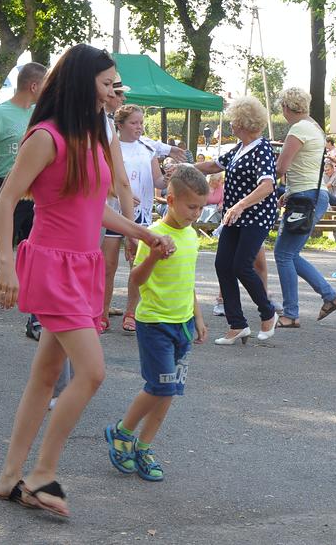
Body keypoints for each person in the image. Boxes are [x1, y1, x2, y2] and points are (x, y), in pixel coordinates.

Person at [0, 44, 174, 517]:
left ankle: (10, 477)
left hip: (84, 265)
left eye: (117, 85)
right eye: (109, 82)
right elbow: (7, 201)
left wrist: (139, 232)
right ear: (83, 83)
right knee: (92, 371)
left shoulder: (95, 135)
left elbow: (93, 204)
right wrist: (7, 265)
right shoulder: (46, 137)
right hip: (53, 267)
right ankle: (42, 474)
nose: (116, 91)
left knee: (46, 375)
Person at [104, 164, 209, 482]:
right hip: (155, 324)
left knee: (170, 391)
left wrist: (199, 318)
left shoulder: (191, 237)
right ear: (171, 199)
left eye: (202, 208)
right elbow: (135, 280)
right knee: (160, 386)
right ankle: (122, 431)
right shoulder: (154, 235)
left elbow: (187, 281)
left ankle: (144, 446)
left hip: (183, 325)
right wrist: (153, 256)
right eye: (192, 207)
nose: (196, 214)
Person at [0, 63, 47, 346]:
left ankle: (35, 318)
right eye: (46, 83)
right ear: (34, 86)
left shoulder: (44, 116)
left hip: (37, 192)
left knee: (37, 256)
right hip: (3, 187)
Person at [195, 96, 278, 344]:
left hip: (255, 215)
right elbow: (213, 165)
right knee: (223, 265)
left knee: (242, 265)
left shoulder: (262, 149)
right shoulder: (240, 148)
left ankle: (268, 312)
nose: (231, 124)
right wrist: (187, 167)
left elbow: (267, 186)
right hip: (234, 215)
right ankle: (237, 324)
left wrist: (240, 205)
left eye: (234, 120)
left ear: (244, 123)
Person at [273, 87, 336, 328]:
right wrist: (290, 193)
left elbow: (281, 168)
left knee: (283, 254)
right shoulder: (313, 126)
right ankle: (330, 296)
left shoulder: (298, 129)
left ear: (285, 107)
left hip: (305, 196)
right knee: (290, 254)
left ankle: (291, 313)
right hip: (313, 194)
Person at [110, 104, 167, 334]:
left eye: (141, 123)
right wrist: (119, 193)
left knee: (137, 264)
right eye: (134, 123)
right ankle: (101, 312)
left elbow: (158, 182)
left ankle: (131, 312)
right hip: (113, 212)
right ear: (120, 125)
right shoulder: (111, 146)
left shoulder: (147, 147)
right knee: (107, 265)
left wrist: (168, 178)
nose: (139, 127)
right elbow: (105, 180)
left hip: (141, 215)